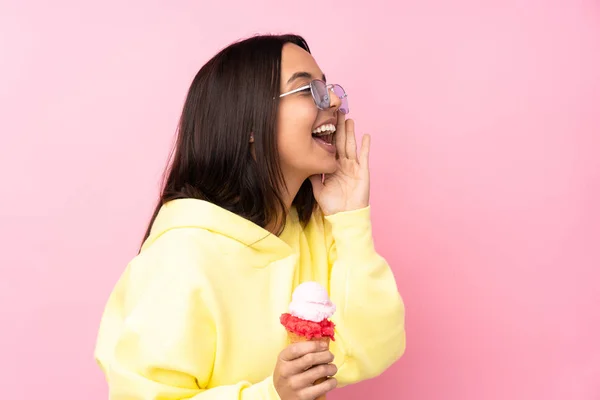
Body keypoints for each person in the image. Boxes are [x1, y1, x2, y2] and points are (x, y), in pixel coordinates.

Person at [94, 33, 406, 400]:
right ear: (251, 126)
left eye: (328, 88)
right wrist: (271, 395)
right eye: (309, 90)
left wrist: (351, 219)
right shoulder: (183, 255)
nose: (335, 100)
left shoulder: (314, 228)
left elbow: (373, 349)